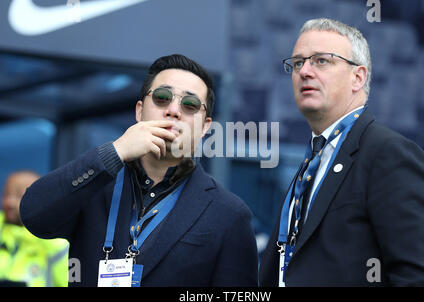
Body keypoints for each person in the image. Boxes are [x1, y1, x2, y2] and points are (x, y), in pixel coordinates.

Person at [20, 54, 258, 287]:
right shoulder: (96, 182)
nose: (173, 110)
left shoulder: (230, 215)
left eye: (190, 104)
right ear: (139, 111)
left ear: (206, 126)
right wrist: (115, 152)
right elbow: (34, 215)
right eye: (163, 97)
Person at [259, 18, 424, 286]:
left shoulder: (390, 155)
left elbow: (419, 278)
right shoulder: (314, 158)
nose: (305, 71)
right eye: (298, 62)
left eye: (321, 61)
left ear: (358, 77)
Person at [0, 171, 68, 287]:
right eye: (6, 194)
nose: (9, 202)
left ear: (38, 200)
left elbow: (72, 281)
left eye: (18, 195)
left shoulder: (56, 242)